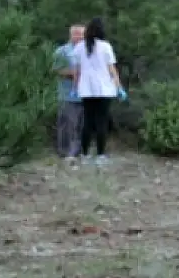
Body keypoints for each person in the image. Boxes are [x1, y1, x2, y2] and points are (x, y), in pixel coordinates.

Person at [72, 17, 125, 167]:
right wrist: (119, 87)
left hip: (86, 90)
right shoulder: (105, 46)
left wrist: (74, 89)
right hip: (104, 89)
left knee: (87, 122)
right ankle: (100, 155)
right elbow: (112, 69)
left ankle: (85, 154)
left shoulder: (80, 47)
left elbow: (77, 71)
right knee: (101, 122)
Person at [53, 24, 86, 162]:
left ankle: (79, 151)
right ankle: (65, 152)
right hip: (67, 94)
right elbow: (55, 70)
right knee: (67, 124)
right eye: (76, 34)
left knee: (82, 125)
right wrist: (73, 73)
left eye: (81, 34)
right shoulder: (62, 51)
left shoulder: (89, 50)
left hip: (86, 95)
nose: (79, 37)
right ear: (71, 35)